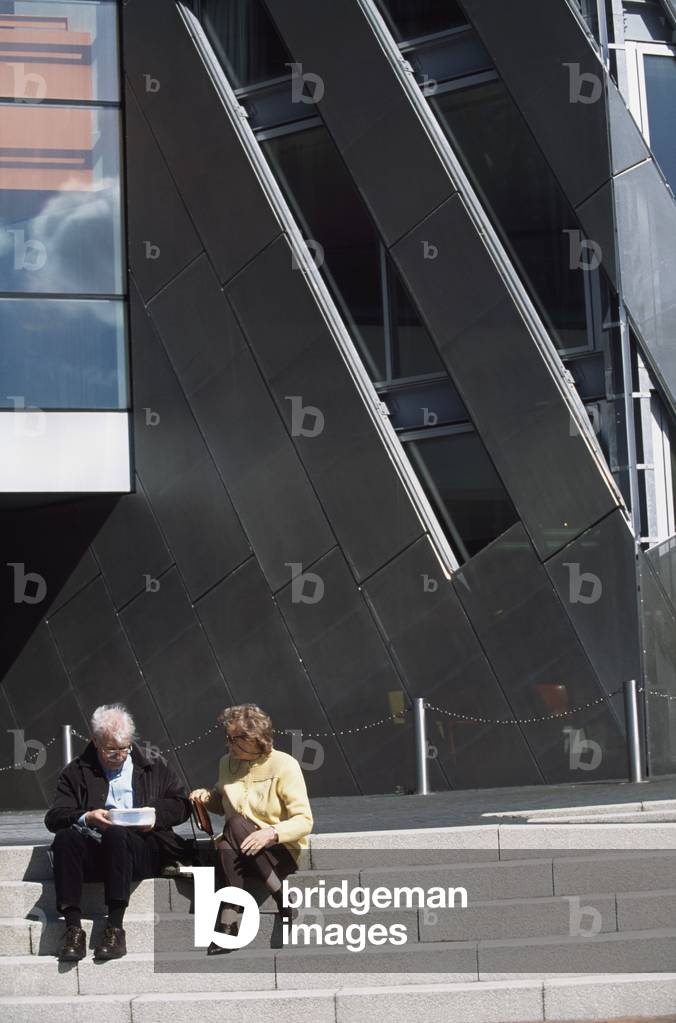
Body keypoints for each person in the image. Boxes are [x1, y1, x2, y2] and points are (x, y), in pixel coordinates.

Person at [45, 704, 191, 962]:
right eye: (111, 749)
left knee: (117, 835)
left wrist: (154, 815)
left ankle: (114, 926)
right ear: (95, 742)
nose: (120, 755)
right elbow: (55, 816)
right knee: (65, 838)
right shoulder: (76, 771)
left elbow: (181, 804)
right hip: (95, 847)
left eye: (125, 748)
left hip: (140, 848)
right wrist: (88, 816)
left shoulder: (153, 765)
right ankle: (73, 928)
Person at [190, 703, 313, 955]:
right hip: (242, 849)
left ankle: (234, 919)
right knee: (227, 840)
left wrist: (271, 833)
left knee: (232, 828)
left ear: (254, 739)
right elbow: (221, 802)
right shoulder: (227, 763)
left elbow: (304, 820)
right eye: (227, 737)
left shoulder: (284, 765)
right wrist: (205, 798)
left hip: (279, 851)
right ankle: (275, 902)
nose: (228, 744)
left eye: (233, 739)